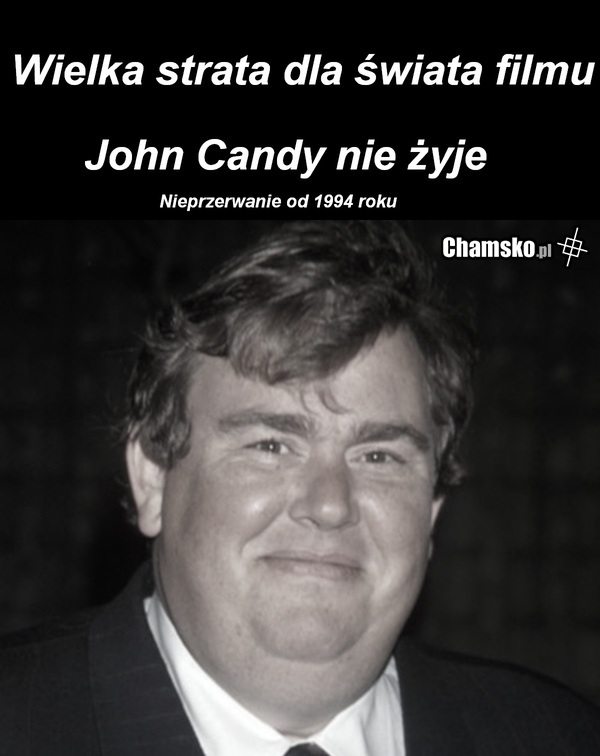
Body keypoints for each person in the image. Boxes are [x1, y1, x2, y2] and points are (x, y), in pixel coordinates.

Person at [1, 220, 599, 755]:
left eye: (379, 456)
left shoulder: (557, 737)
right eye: (271, 445)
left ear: (432, 512)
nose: (330, 504)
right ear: (153, 477)